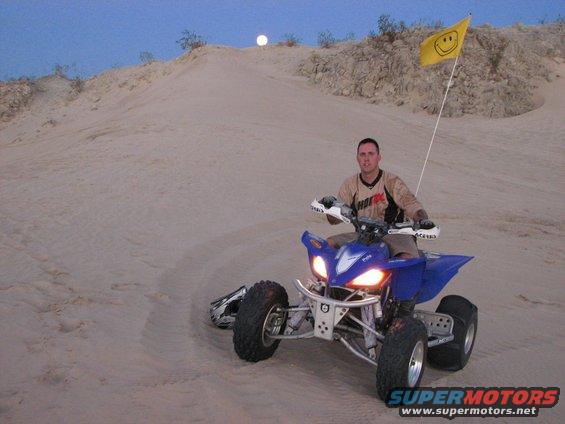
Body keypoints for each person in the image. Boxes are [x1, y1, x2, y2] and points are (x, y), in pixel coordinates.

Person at [325, 138, 434, 259]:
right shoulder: (350, 185)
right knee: (328, 244)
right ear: (357, 158)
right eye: (362, 154)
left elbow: (412, 205)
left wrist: (423, 220)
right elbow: (333, 219)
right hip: (363, 236)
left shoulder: (392, 182)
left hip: (394, 235)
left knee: (408, 258)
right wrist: (330, 208)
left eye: (371, 154)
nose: (366, 158)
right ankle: (326, 278)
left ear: (378, 157)